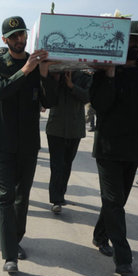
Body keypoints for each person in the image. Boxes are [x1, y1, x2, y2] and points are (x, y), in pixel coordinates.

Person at [90, 21, 138, 276]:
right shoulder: (103, 72)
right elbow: (100, 106)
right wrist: (110, 75)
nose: (137, 46)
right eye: (133, 41)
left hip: (135, 149)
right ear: (121, 41)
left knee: (116, 201)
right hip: (108, 149)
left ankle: (100, 235)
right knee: (113, 201)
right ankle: (123, 258)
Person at [0, 16, 58, 273]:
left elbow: (50, 101)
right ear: (5, 40)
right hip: (2, 142)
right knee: (4, 198)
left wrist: (45, 73)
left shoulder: (38, 64)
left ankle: (15, 240)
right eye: (14, 36)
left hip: (28, 143)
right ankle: (10, 256)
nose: (19, 39)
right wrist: (26, 69)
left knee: (21, 197)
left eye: (22, 35)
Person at [45, 70, 92, 213]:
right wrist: (55, 79)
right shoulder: (53, 73)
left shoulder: (84, 77)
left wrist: (72, 86)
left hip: (74, 128)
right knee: (57, 164)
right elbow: (46, 98)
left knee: (67, 163)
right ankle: (56, 199)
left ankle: (61, 194)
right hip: (56, 127)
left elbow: (88, 97)